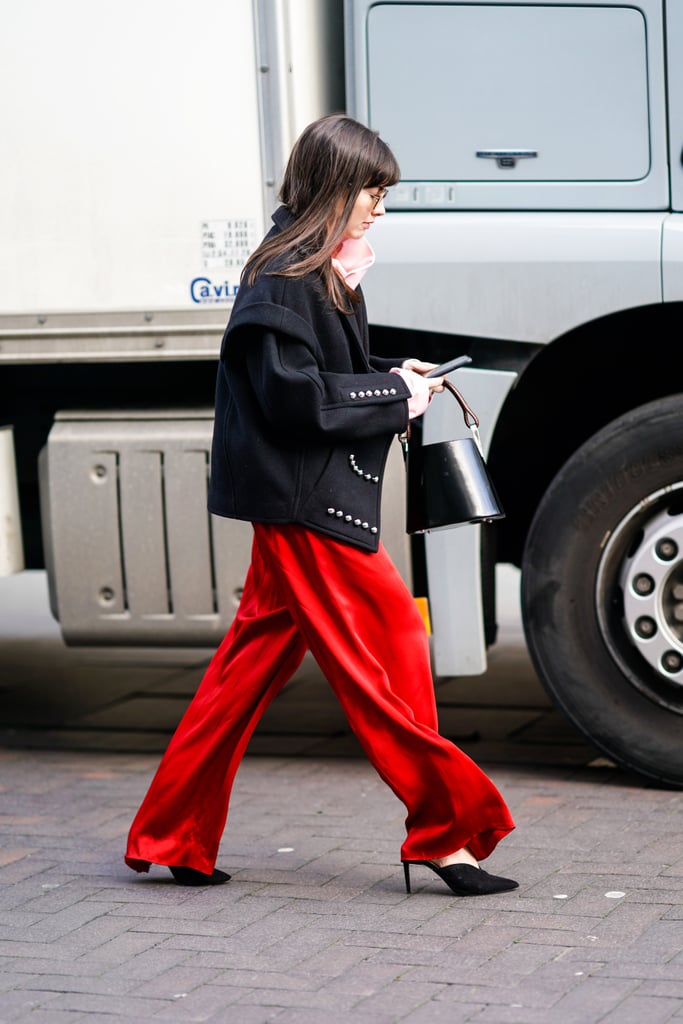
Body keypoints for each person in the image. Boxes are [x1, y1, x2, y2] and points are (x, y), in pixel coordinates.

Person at [124, 113, 518, 896]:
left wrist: (388, 369)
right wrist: (392, 393)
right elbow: (293, 402)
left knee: (242, 678)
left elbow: (313, 374)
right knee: (395, 645)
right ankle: (445, 834)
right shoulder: (284, 281)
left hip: (297, 502)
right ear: (336, 187)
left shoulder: (309, 269)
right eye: (373, 190)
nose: (380, 206)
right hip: (307, 507)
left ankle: (174, 833)